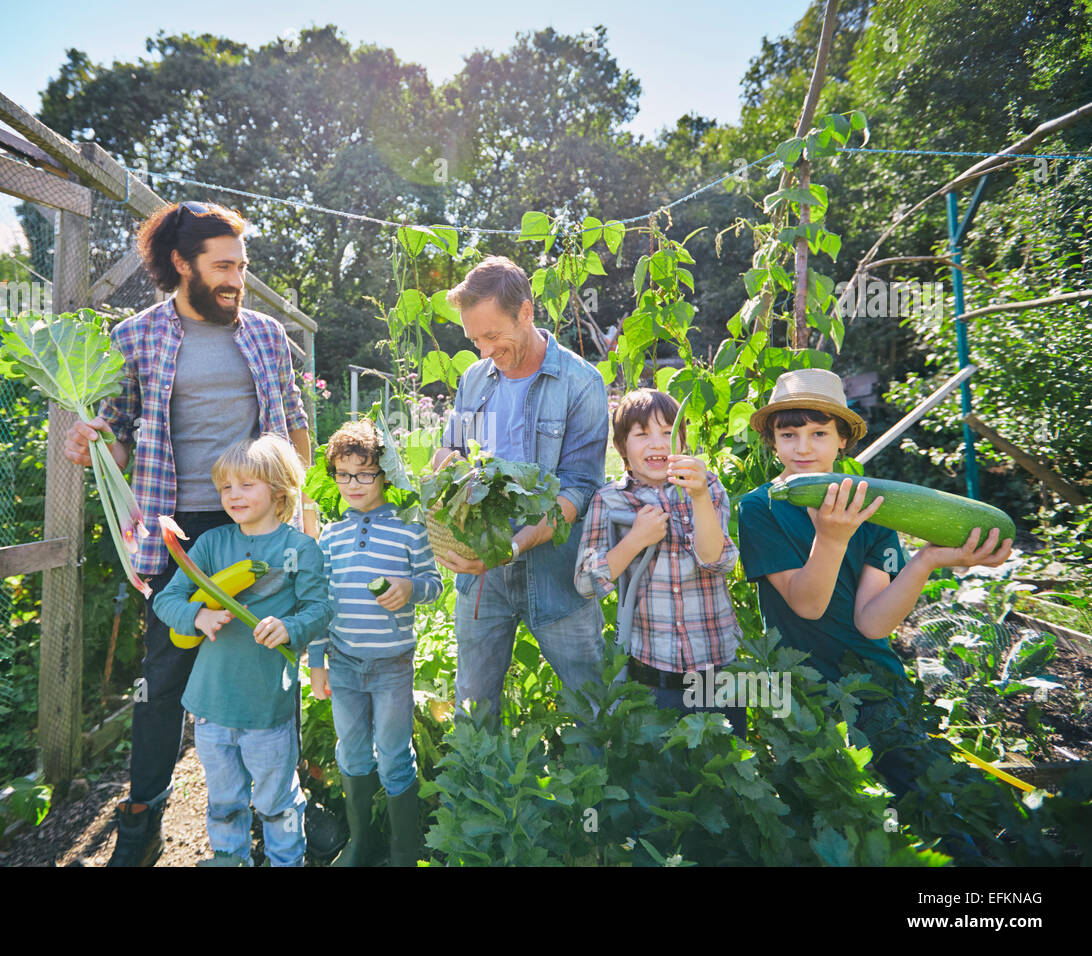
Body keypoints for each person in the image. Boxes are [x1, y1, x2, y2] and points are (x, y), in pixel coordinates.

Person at [61, 201, 317, 866]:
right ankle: (143, 815)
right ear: (182, 263)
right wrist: (93, 444)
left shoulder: (263, 334)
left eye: (242, 265)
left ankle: (283, 807)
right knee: (164, 672)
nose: (237, 278)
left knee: (271, 658)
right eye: (224, 265)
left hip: (258, 525)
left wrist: (295, 505)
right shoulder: (137, 336)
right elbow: (116, 440)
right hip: (177, 527)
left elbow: (293, 423)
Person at [736, 369, 1012, 814]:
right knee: (828, 817)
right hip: (801, 693)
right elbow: (807, 605)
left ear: (843, 439)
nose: (803, 447)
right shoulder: (760, 508)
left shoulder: (876, 508)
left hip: (875, 685)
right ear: (773, 441)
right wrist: (831, 538)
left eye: (819, 433)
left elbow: (873, 621)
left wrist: (926, 560)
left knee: (922, 809)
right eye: (789, 434)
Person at [432, 255, 608, 719]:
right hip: (480, 573)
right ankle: (479, 788)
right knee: (474, 702)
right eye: (474, 339)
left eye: (493, 336)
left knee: (590, 701)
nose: (485, 350)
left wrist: (511, 547)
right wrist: (443, 472)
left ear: (526, 313)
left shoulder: (580, 384)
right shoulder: (474, 380)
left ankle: (595, 789)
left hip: (556, 572)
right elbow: (449, 451)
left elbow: (579, 490)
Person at [151, 435, 332, 867]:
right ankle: (229, 858)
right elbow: (166, 599)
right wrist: (197, 617)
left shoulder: (301, 550)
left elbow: (320, 609)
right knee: (224, 801)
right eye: (226, 487)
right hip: (211, 704)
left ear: (280, 489)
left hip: (267, 704)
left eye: (246, 485)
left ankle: (287, 860)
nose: (233, 495)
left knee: (278, 801)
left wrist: (289, 627)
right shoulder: (212, 545)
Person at [307, 419, 442, 866]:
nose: (353, 484)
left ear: (384, 474)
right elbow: (320, 604)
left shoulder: (408, 527)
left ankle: (405, 851)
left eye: (364, 473)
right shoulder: (330, 536)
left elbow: (433, 583)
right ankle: (362, 845)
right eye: (343, 474)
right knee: (352, 752)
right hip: (344, 664)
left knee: (394, 758)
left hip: (391, 666)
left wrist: (409, 587)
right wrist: (318, 662)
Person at [573, 388, 744, 734]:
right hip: (652, 672)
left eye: (668, 433)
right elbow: (585, 582)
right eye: (642, 434)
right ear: (621, 447)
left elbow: (719, 562)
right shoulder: (610, 501)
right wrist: (635, 540)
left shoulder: (706, 487)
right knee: (659, 774)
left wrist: (698, 498)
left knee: (726, 767)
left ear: (682, 440)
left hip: (716, 669)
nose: (657, 444)